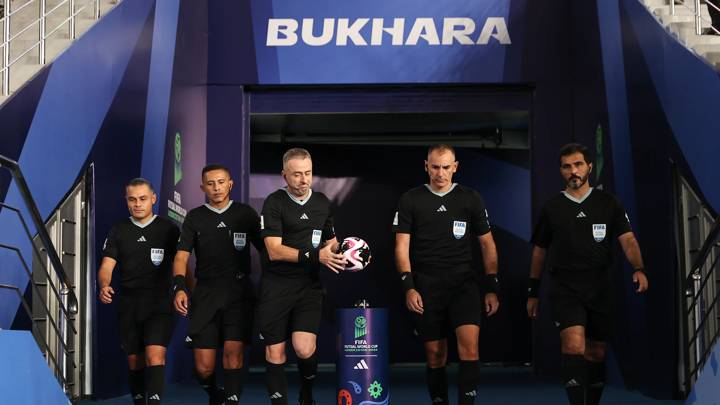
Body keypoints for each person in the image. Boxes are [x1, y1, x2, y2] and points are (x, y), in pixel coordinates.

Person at [526, 143, 649, 405]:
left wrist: (639, 269)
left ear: (589, 167)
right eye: (567, 166)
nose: (573, 171)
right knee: (572, 345)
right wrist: (533, 292)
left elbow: (627, 239)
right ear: (560, 171)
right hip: (565, 287)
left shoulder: (609, 203)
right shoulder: (552, 208)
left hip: (600, 286)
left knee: (596, 352)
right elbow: (539, 252)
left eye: (578, 164)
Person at [393, 144, 500, 405]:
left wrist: (492, 286)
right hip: (427, 285)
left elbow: (487, 244)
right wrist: (409, 286)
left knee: (470, 349)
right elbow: (401, 247)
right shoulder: (411, 199)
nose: (440, 173)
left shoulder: (470, 198)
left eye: (445, 167)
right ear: (426, 166)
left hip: (463, 283)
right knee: (435, 355)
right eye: (435, 167)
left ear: (455, 167)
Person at [258, 147, 346, 405]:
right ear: (284, 175)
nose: (304, 180)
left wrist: (354, 253)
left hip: (308, 287)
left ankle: (306, 392)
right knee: (276, 352)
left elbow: (332, 243)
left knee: (304, 349)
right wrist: (315, 256)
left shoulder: (321, 203)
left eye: (308, 173)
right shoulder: (274, 202)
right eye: (296, 174)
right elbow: (274, 251)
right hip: (276, 286)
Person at [172, 164, 262, 405]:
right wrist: (180, 286)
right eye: (210, 183)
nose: (216, 188)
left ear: (230, 184)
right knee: (203, 368)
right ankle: (215, 395)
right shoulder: (195, 217)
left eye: (221, 182)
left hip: (238, 294)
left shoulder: (246, 214)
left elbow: (268, 250)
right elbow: (181, 257)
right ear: (202, 187)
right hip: (206, 294)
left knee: (233, 356)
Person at [98, 178, 180, 405]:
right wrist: (104, 285)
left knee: (155, 356)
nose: (138, 204)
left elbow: (181, 264)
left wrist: (185, 290)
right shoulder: (118, 230)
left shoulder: (169, 229)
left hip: (159, 304)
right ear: (126, 201)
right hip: (129, 305)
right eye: (132, 199)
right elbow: (106, 266)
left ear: (153, 199)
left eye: (143, 199)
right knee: (135, 362)